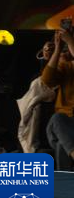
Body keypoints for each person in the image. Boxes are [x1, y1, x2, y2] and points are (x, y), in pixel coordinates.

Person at [42, 27, 74, 164]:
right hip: (63, 124)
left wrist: (70, 41)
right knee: (57, 118)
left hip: (66, 136)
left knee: (63, 145)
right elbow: (47, 80)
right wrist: (56, 51)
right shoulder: (65, 66)